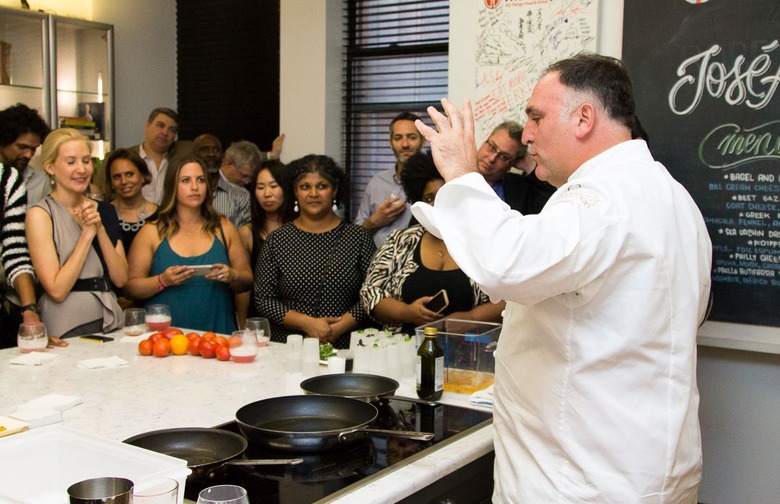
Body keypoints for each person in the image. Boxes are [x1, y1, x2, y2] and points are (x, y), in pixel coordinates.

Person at [411, 54, 712, 502]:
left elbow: (508, 264)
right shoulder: (671, 196)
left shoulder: (601, 198)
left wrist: (460, 172)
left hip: (582, 478)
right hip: (646, 467)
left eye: (536, 116)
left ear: (584, 117)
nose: (527, 134)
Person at [360, 152, 503, 335]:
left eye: (443, 194)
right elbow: (371, 292)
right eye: (429, 198)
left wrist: (471, 318)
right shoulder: (400, 240)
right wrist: (407, 313)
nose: (437, 204)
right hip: (404, 351)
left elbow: (512, 297)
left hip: (468, 352)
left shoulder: (482, 241)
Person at [254, 154, 376, 348]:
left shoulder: (358, 237)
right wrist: (307, 323)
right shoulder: (277, 240)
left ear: (334, 190)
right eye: (305, 187)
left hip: (346, 345)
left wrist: (337, 328)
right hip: (290, 346)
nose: (313, 193)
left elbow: (374, 293)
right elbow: (264, 299)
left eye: (322, 186)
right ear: (295, 191)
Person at [124, 155, 252, 334]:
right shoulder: (151, 232)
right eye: (185, 180)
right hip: (165, 340)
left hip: (217, 336)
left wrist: (232, 275)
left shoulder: (224, 227)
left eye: (200, 180)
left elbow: (247, 280)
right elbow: (130, 288)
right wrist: (162, 281)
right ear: (172, 187)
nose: (195, 187)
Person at [26, 128, 127, 343]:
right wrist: (86, 236)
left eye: (86, 160)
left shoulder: (105, 210)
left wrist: (98, 227)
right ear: (50, 167)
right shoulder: (40, 215)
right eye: (71, 162)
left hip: (110, 320)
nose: (81, 169)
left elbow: (120, 278)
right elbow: (57, 290)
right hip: (66, 326)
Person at [236, 160, 294, 326]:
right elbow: (244, 286)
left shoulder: (301, 229)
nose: (267, 193)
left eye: (273, 186)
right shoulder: (246, 233)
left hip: (298, 315)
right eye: (260, 187)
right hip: (260, 319)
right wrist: (242, 324)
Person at [354, 112, 424, 246]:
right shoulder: (377, 182)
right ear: (391, 143)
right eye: (398, 138)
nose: (405, 144)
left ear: (422, 141)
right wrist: (375, 221)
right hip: (378, 263)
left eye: (412, 137)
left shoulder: (434, 183)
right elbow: (356, 235)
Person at [477, 120, 555, 214]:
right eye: (492, 147)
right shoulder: (457, 172)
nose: (492, 159)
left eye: (504, 157)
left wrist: (529, 165)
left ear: (512, 163)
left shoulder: (519, 189)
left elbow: (550, 208)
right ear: (484, 142)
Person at [103, 148, 159, 254]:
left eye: (129, 174)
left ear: (143, 176)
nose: (123, 181)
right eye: (117, 177)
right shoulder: (103, 215)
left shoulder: (162, 216)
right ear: (111, 183)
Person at [129, 107, 188, 205]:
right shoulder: (126, 158)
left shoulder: (178, 162)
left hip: (168, 219)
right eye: (160, 125)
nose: (165, 133)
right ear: (147, 126)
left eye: (171, 130)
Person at [0, 103, 52, 205]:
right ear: (2, 142)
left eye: (33, 149)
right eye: (22, 147)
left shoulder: (40, 181)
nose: (28, 155)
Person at [210, 140, 259, 229]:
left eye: (250, 178)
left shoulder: (243, 196)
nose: (247, 182)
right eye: (244, 176)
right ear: (229, 163)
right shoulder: (200, 180)